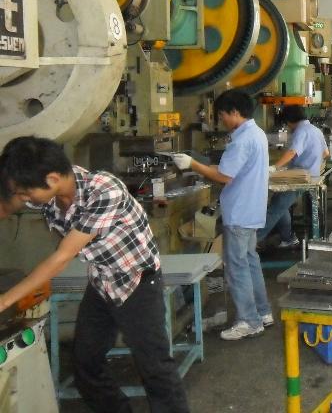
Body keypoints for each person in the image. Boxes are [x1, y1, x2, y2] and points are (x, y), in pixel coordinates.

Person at [0, 137, 190, 413]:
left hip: (137, 282)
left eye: (26, 194)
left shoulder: (104, 190)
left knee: (155, 368)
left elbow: (62, 257)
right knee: (85, 365)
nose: (25, 200)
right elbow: (7, 205)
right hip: (102, 283)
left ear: (52, 179)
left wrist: (5, 301)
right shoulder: (49, 195)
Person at [171, 89, 271, 341]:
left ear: (234, 112)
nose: (222, 121)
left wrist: (193, 165)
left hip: (239, 212)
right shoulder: (256, 134)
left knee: (237, 267)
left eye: (222, 115)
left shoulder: (241, 140)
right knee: (250, 262)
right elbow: (230, 169)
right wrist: (203, 166)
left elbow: (224, 176)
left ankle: (249, 321)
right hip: (251, 210)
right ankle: (262, 312)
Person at [258, 105, 329, 248]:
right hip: (311, 175)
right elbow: (326, 153)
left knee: (275, 209)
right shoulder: (315, 130)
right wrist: (313, 162)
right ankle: (288, 237)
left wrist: (274, 167)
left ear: (289, 120)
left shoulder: (301, 131)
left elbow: (292, 152)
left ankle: (252, 240)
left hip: (299, 177)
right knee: (278, 203)